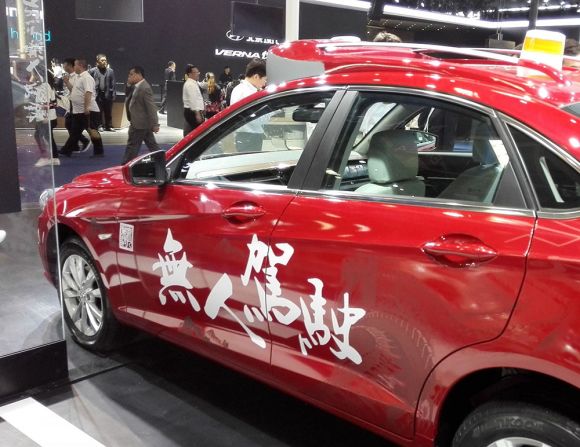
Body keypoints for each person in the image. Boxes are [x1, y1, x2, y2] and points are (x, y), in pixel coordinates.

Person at [59, 59, 104, 158]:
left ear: (80, 66)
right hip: (78, 110)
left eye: (75, 65)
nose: (74, 67)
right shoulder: (79, 78)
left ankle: (99, 152)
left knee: (92, 131)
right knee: (75, 132)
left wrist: (87, 107)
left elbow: (88, 92)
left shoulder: (86, 78)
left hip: (88, 110)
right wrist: (67, 82)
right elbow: (74, 91)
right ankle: (66, 150)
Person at [122, 66, 160, 164]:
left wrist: (155, 124)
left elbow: (151, 107)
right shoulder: (136, 86)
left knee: (132, 147)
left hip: (139, 124)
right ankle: (162, 161)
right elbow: (127, 95)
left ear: (139, 74)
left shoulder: (145, 88)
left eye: (131, 74)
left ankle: (126, 166)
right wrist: (128, 84)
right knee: (152, 146)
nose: (129, 76)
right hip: (142, 123)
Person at [230, 59, 267, 152]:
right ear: (256, 76)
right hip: (250, 137)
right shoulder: (249, 93)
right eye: (264, 79)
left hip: (245, 136)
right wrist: (271, 110)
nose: (264, 83)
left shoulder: (239, 89)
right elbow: (257, 120)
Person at [61, 57, 91, 152]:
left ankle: (81, 143)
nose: (63, 66)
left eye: (64, 64)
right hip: (72, 104)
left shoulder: (78, 77)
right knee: (71, 125)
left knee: (75, 126)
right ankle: (75, 145)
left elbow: (76, 91)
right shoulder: (70, 76)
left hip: (77, 105)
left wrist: (67, 82)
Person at [34, 70, 60, 167]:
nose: (34, 77)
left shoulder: (44, 86)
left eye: (34, 74)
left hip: (45, 117)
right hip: (50, 116)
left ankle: (46, 157)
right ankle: (54, 158)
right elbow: (53, 103)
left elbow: (46, 104)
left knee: (39, 136)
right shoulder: (48, 86)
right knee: (48, 137)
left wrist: (45, 117)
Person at [89, 53, 116, 131]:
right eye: (102, 60)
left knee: (108, 111)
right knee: (98, 111)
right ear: (97, 62)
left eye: (105, 60)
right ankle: (99, 126)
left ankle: (109, 126)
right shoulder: (92, 71)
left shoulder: (110, 71)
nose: (104, 62)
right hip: (98, 94)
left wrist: (113, 94)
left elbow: (113, 83)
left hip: (108, 94)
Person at [182, 64, 204, 136]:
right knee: (196, 134)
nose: (198, 74)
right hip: (192, 112)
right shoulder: (190, 84)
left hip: (192, 112)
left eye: (198, 72)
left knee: (192, 132)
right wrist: (197, 114)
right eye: (196, 72)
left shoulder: (193, 82)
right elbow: (193, 100)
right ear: (190, 74)